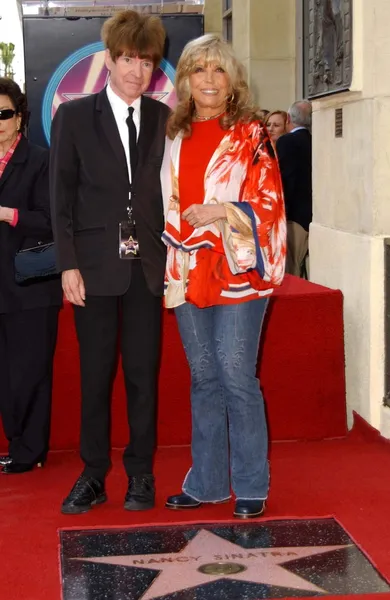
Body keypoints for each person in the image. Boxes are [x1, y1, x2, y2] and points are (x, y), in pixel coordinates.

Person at [50, 10, 170, 514]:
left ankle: (140, 474)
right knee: (96, 376)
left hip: (147, 268)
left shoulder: (167, 121)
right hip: (93, 269)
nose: (136, 71)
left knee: (144, 376)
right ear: (109, 60)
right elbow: (61, 197)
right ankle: (94, 473)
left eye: (145, 61)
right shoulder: (74, 117)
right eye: (126, 59)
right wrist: (67, 264)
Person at [162, 34, 286, 519]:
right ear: (186, 79)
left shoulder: (251, 133)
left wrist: (220, 211)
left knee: (237, 377)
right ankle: (209, 481)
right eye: (199, 70)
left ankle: (252, 483)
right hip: (188, 268)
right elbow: (167, 201)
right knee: (204, 377)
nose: (209, 80)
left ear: (232, 79)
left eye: (218, 70)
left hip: (239, 269)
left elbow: (271, 204)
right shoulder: (175, 133)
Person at [0, 77, 62, 474]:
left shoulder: (41, 160)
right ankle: (20, 447)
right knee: (6, 374)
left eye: (4, 113)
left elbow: (55, 220)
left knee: (30, 372)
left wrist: (8, 214)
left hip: (29, 286)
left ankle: (30, 449)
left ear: (20, 118)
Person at [276, 100, 312, 277]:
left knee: (292, 270)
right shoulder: (316, 140)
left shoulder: (287, 142)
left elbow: (284, 179)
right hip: (312, 215)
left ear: (288, 118)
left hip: (293, 217)